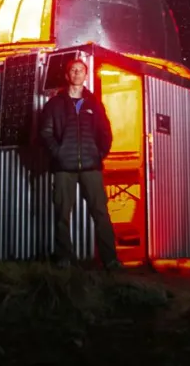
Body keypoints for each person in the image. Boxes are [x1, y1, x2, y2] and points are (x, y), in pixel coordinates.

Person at [39, 57, 122, 271]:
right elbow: (46, 134)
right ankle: (65, 259)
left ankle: (111, 260)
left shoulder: (94, 104)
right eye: (73, 70)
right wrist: (59, 154)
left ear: (86, 76)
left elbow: (106, 133)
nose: (77, 73)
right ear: (68, 75)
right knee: (61, 214)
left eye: (81, 70)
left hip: (90, 167)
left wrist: (98, 154)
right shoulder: (54, 104)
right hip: (63, 168)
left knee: (100, 213)